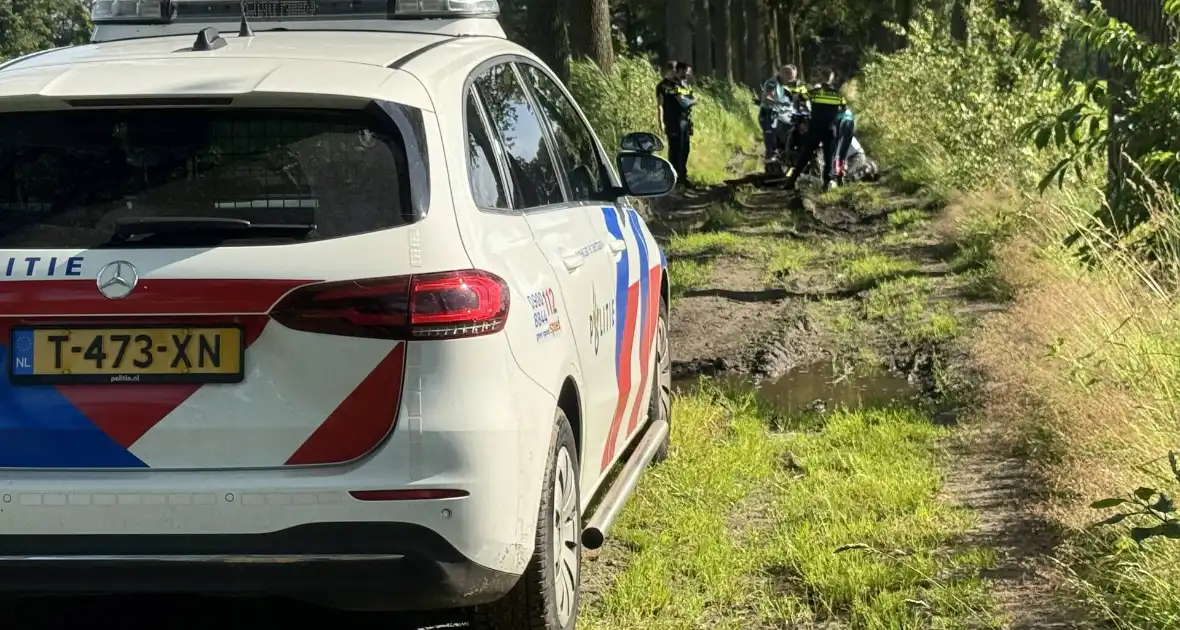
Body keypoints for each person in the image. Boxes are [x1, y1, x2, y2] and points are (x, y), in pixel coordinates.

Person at [784, 67, 846, 191]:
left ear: (822, 78)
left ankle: (791, 181)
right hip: (830, 129)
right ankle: (826, 185)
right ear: (832, 80)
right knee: (829, 158)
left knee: (805, 155)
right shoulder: (838, 95)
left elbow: (801, 98)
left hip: (815, 128)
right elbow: (843, 108)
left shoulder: (815, 93)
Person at [759, 64, 808, 167]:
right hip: (770, 114)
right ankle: (771, 157)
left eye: (794, 77)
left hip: (784, 115)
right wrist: (784, 104)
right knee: (771, 133)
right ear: (782, 74)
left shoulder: (787, 85)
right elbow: (769, 99)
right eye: (790, 77)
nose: (792, 80)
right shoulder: (772, 83)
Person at [658, 61, 696, 185]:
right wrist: (661, 122)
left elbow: (688, 97)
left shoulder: (680, 84)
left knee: (685, 149)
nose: (676, 72)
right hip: (673, 121)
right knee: (675, 150)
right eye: (674, 69)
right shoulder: (663, 86)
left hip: (685, 120)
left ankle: (682, 177)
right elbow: (661, 105)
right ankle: (674, 178)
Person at [834, 107, 856, 180]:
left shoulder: (837, 114)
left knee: (839, 151)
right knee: (843, 151)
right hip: (849, 125)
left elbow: (837, 134)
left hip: (845, 126)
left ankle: (839, 172)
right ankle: (841, 170)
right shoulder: (848, 112)